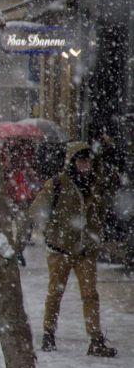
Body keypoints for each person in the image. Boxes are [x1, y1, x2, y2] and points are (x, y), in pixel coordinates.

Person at [36, 143, 117, 357]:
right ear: (72, 162)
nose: (85, 164)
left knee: (90, 295)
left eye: (88, 160)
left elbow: (100, 213)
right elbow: (37, 210)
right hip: (60, 249)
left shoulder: (95, 185)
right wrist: (50, 232)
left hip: (85, 251)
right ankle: (48, 334)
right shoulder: (57, 184)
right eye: (81, 160)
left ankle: (95, 339)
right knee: (55, 293)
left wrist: (95, 234)